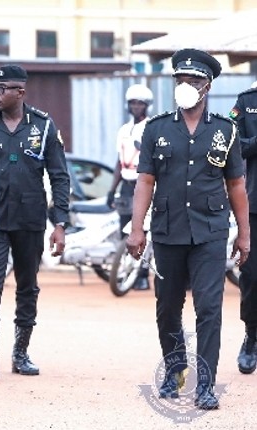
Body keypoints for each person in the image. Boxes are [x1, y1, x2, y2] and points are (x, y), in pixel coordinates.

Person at [126, 48, 249, 410]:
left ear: (207, 86)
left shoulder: (225, 131)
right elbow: (145, 181)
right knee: (167, 308)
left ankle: (206, 383)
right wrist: (137, 229)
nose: (186, 86)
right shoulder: (157, 128)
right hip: (167, 232)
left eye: (193, 80)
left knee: (209, 308)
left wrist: (244, 235)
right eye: (180, 80)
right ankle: (175, 365)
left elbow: (237, 186)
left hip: (209, 233)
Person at [0, 64, 69, 382]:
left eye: (1, 89)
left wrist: (60, 223)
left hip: (30, 220)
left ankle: (21, 353)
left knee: (27, 286)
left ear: (20, 92)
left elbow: (59, 175)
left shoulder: (43, 126)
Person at [106, 83, 154, 291]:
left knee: (142, 229)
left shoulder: (152, 127)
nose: (136, 107)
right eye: (133, 103)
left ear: (147, 106)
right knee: (124, 230)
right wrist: (111, 189)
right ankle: (126, 270)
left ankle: (142, 274)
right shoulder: (124, 130)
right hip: (126, 186)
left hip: (143, 185)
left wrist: (142, 148)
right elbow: (119, 161)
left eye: (140, 104)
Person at [230, 78, 257, 375]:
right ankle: (252, 335)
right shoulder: (248, 101)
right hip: (255, 205)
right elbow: (232, 146)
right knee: (251, 275)